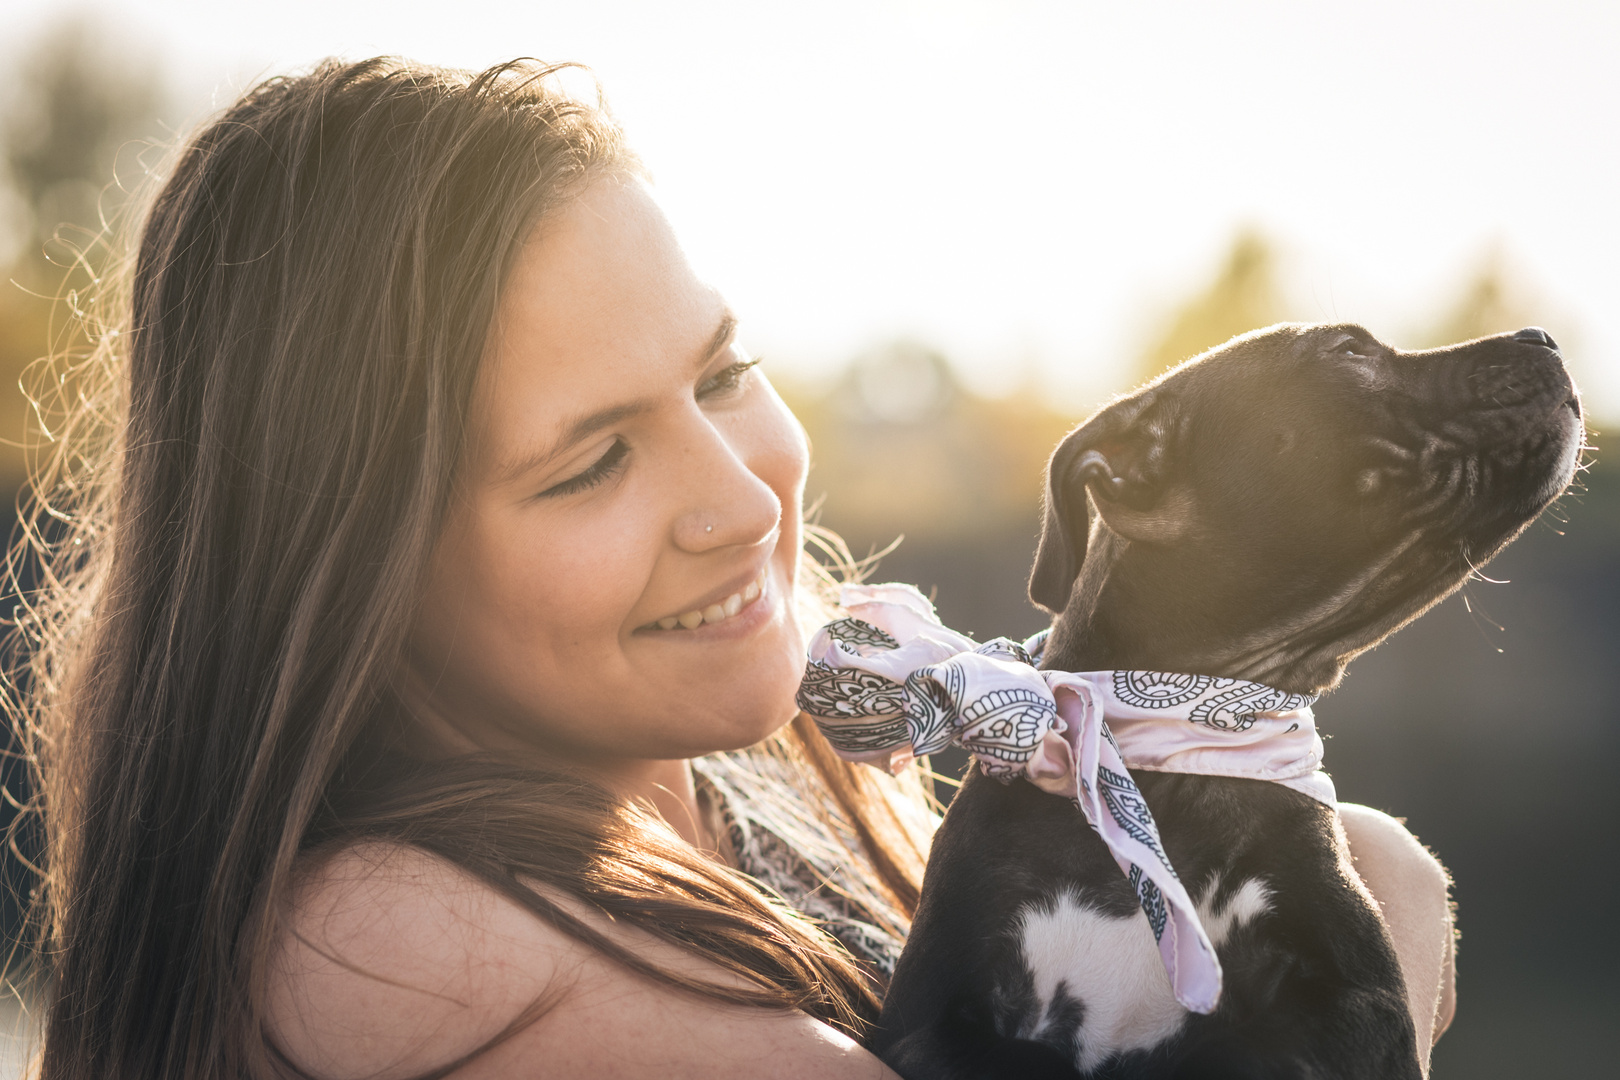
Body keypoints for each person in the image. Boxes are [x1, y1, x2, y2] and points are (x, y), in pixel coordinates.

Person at [12, 57, 1454, 1079]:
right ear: (347, 575)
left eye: (721, 374)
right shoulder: (380, 949)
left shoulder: (787, 779)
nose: (739, 502)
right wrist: (1360, 915)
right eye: (590, 463)